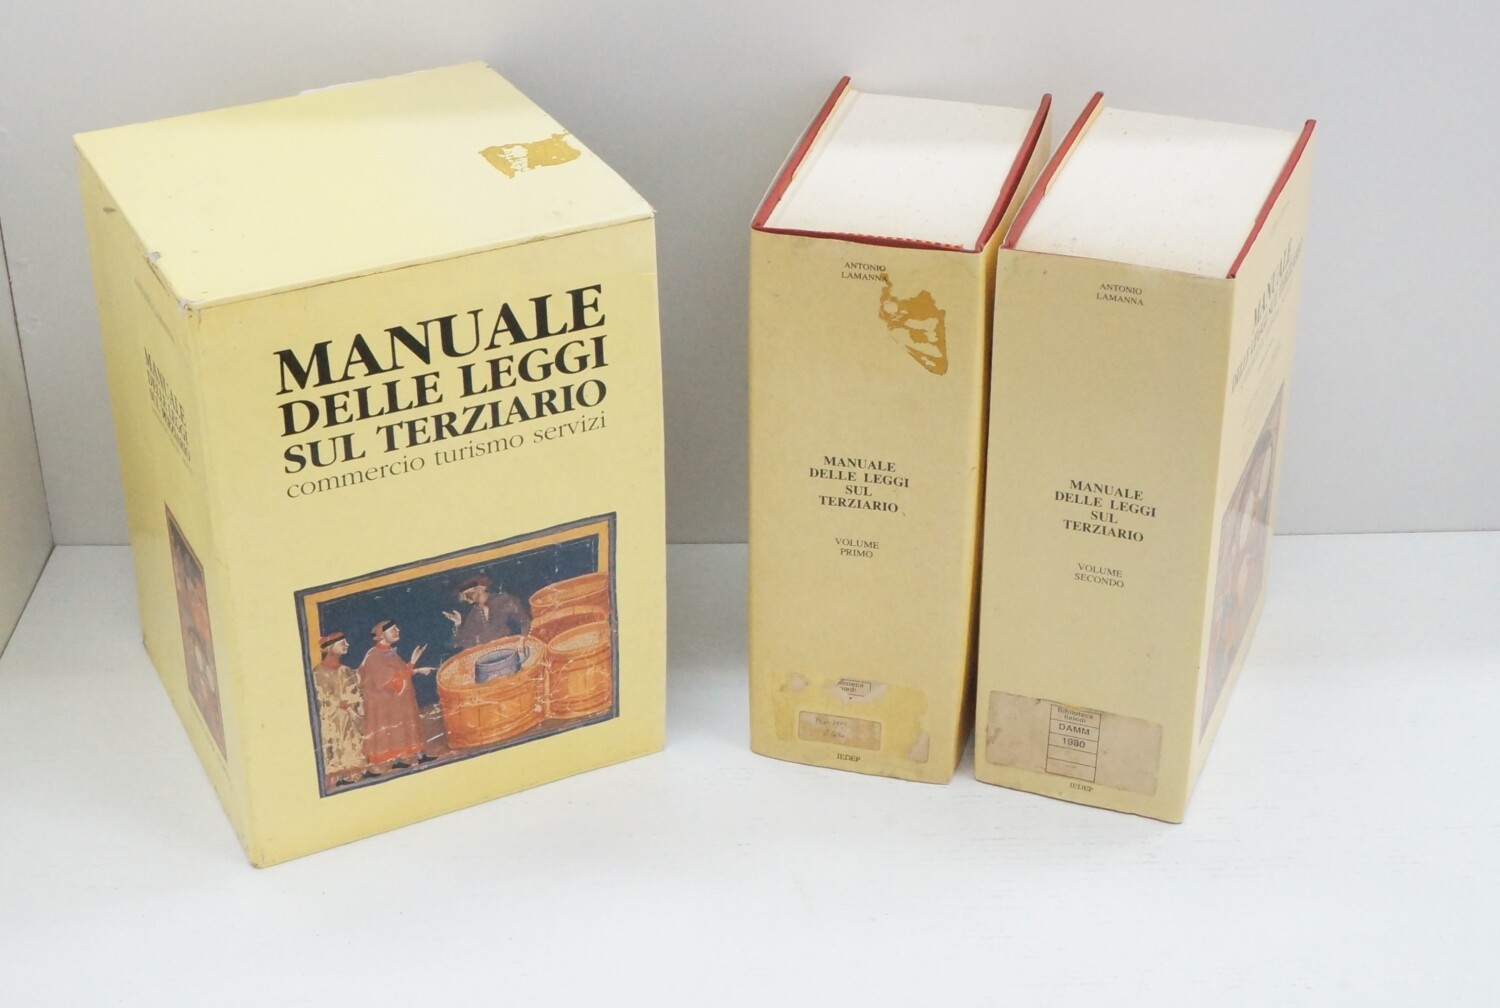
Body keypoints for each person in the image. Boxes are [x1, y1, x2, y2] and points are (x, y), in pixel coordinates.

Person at [356, 620, 434, 772]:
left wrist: (413, 661)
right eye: (393, 629)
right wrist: (416, 671)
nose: (397, 631)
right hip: (385, 704)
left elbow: (400, 673)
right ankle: (397, 759)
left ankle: (414, 755)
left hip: (399, 700)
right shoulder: (374, 655)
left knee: (406, 726)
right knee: (394, 731)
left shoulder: (389, 652)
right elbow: (388, 680)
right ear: (381, 635)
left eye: (397, 628)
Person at [312, 632, 366, 788]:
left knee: (352, 745)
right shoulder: (319, 672)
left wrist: (355, 706)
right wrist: (347, 707)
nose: (347, 645)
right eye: (342, 643)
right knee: (335, 747)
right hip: (333, 720)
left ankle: (352, 776)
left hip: (350, 718)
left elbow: (355, 691)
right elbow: (327, 696)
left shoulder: (346, 670)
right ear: (330, 647)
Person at [442, 574, 530, 650]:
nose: (464, 599)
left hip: (511, 649)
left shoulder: (505, 600)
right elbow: (463, 642)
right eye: (462, 596)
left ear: (480, 589)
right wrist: (458, 623)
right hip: (487, 656)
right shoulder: (474, 614)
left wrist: (523, 641)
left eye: (467, 594)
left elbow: (525, 622)